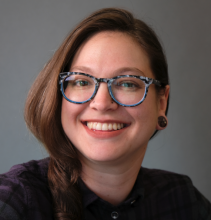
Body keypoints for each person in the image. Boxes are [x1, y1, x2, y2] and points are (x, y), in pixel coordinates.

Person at [0, 8, 210, 220]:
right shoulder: (17, 202)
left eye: (128, 83)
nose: (101, 103)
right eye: (82, 81)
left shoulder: (183, 201)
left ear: (161, 103)